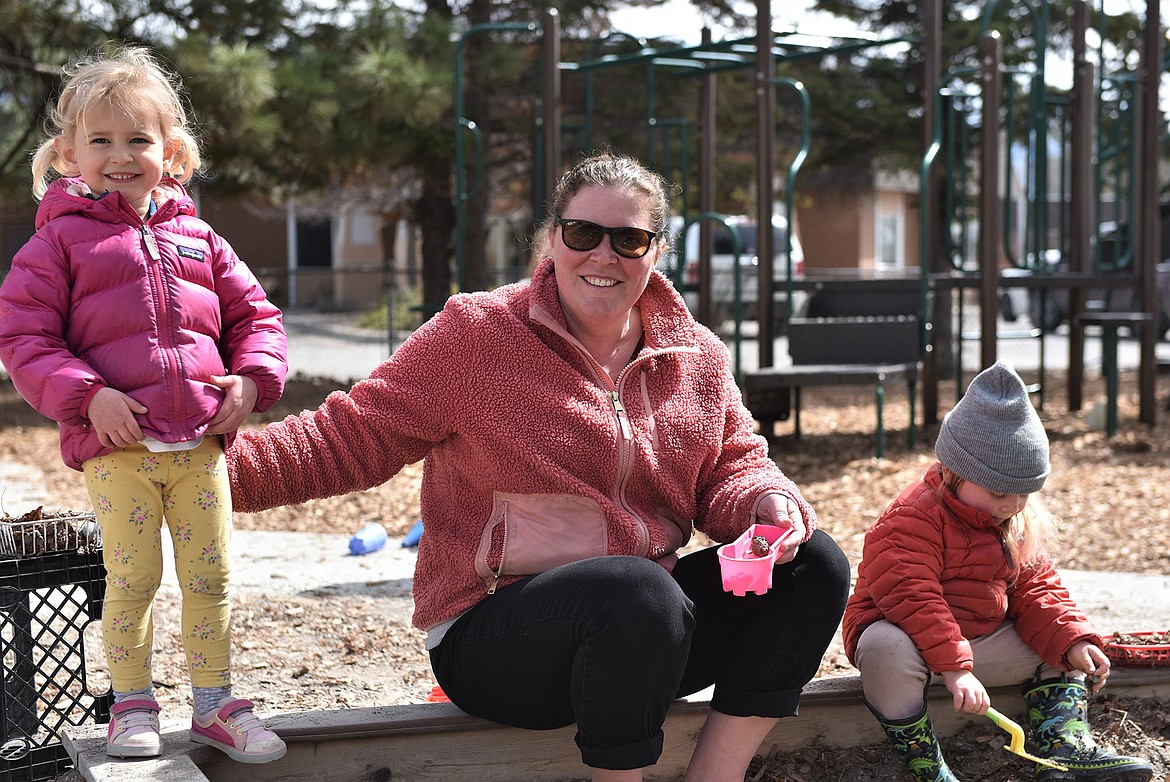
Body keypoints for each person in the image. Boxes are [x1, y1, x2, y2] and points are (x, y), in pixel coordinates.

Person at [226, 150, 851, 781]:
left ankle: (714, 776)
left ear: (656, 252)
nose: (603, 257)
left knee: (814, 565)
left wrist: (764, 502)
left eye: (629, 240)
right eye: (583, 234)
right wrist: (198, 479)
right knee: (636, 592)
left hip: (644, 631)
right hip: (496, 635)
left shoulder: (696, 356)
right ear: (552, 238)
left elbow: (734, 465)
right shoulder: (478, 334)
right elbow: (346, 439)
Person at [0, 46, 288, 764]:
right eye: (100, 140)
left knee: (211, 577)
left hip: (198, 447)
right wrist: (87, 396)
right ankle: (131, 704)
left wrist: (252, 380)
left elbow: (258, 317)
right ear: (69, 153)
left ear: (174, 152)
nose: (120, 155)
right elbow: (25, 338)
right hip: (119, 451)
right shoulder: (58, 243)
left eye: (139, 139)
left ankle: (217, 703)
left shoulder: (200, 239)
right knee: (133, 578)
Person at [842, 362, 1152, 782]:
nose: (1013, 505)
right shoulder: (911, 518)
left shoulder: (1015, 519)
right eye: (999, 492)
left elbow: (1037, 588)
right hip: (914, 647)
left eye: (1024, 493)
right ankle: (927, 766)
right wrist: (955, 668)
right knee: (883, 646)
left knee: (1057, 639)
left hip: (974, 646)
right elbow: (912, 597)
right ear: (954, 472)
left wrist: (1073, 640)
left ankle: (1061, 746)